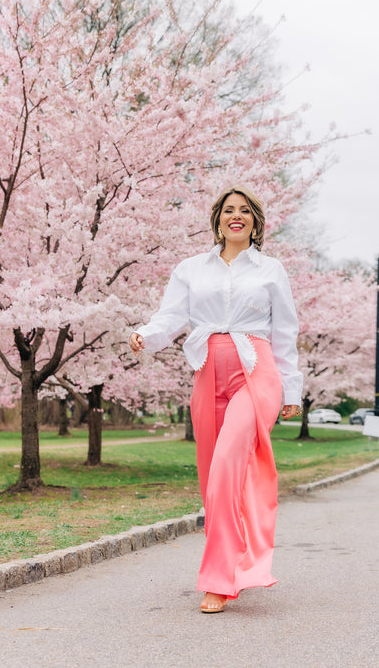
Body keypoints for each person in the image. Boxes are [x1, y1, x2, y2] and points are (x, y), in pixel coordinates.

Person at [129, 186, 302, 614]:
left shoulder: (270, 269)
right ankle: (231, 564)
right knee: (212, 479)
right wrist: (146, 335)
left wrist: (292, 389)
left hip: (256, 371)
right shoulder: (191, 268)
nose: (236, 216)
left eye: (245, 211)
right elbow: (171, 316)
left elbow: (285, 332)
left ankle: (217, 581)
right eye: (229, 210)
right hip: (207, 372)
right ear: (218, 219)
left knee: (228, 462)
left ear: (256, 222)